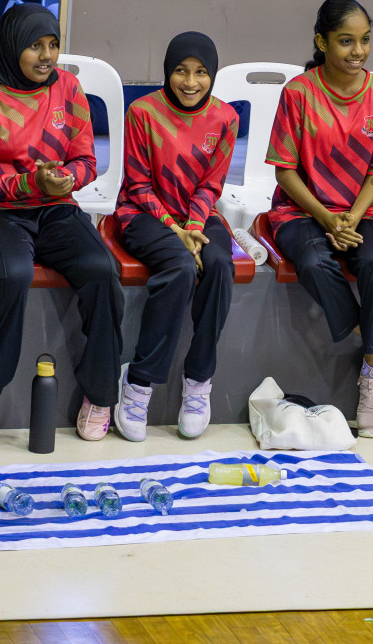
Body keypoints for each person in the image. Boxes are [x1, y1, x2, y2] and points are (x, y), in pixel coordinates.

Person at [0, 3, 123, 446]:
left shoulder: (68, 88)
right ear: (11, 47)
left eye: (53, 45)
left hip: (53, 206)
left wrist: (67, 179)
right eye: (34, 46)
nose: (46, 56)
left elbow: (86, 160)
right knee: (14, 274)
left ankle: (100, 395)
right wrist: (31, 181)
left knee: (102, 270)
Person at [265, 0, 373, 437]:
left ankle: (372, 377)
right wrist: (326, 218)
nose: (357, 51)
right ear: (321, 41)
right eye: (345, 41)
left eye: (365, 41)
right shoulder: (298, 92)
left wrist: (351, 218)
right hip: (301, 208)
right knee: (315, 263)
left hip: (361, 209)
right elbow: (285, 170)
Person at [113, 32, 238, 441]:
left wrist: (196, 228)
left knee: (220, 263)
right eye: (181, 71)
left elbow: (210, 185)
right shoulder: (143, 112)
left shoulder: (225, 118)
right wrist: (175, 230)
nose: (190, 82)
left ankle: (199, 381)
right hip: (143, 213)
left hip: (195, 215)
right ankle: (138, 383)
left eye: (201, 72)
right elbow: (137, 184)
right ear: (168, 71)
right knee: (181, 265)